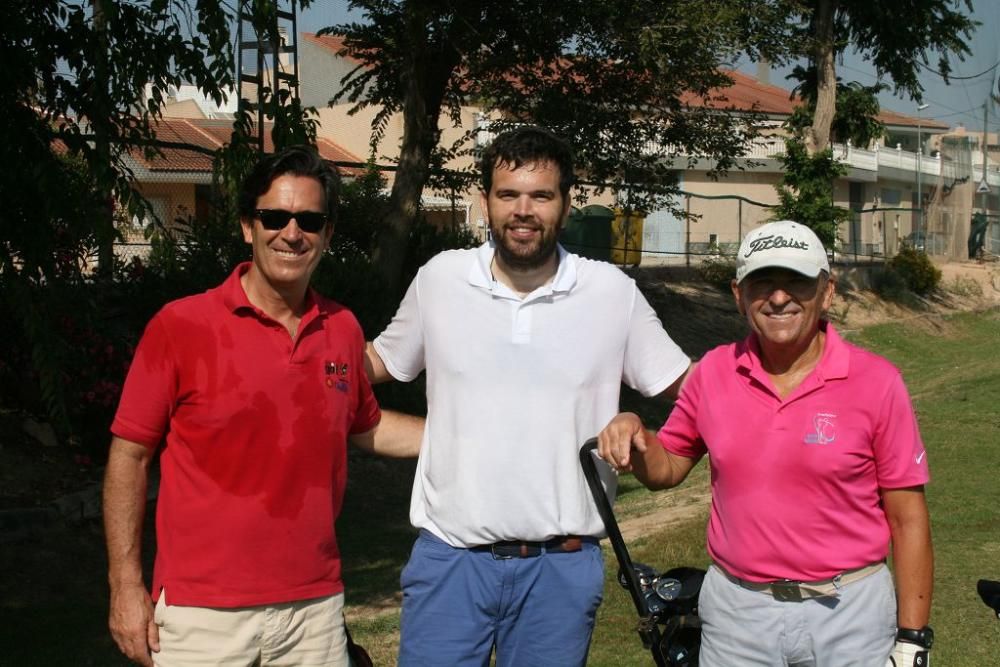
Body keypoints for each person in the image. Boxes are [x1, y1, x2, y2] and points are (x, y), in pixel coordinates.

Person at [365, 125, 691, 666]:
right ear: (485, 202)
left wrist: (642, 426)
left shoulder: (611, 293)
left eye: (541, 196)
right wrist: (286, 355)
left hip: (560, 570)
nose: (523, 210)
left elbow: (696, 388)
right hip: (449, 561)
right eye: (508, 194)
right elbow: (376, 363)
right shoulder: (440, 280)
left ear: (566, 205)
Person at [103, 145, 422, 666]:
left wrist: (467, 434)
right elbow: (129, 456)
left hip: (313, 610)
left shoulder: (341, 328)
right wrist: (123, 586)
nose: (292, 233)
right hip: (201, 615)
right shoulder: (181, 327)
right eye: (274, 217)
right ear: (248, 227)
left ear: (328, 234)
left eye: (310, 220)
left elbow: (365, 427)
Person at [599, 220, 934, 667]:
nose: (778, 297)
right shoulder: (714, 373)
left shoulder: (877, 382)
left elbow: (908, 520)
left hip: (849, 611)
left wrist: (912, 639)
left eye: (795, 281)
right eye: (763, 283)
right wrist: (637, 433)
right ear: (739, 294)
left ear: (827, 292)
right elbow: (668, 468)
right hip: (739, 615)